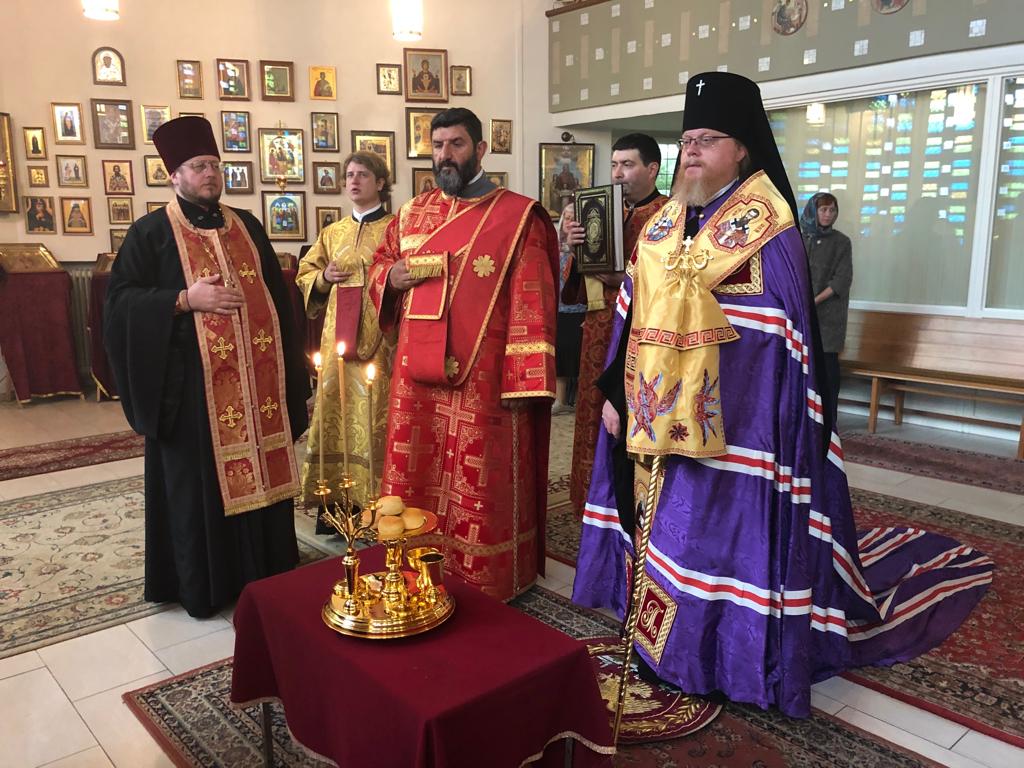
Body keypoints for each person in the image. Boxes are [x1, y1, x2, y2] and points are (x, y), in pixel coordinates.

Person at [571, 72, 992, 717]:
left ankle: (722, 658)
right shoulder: (665, 224)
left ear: (742, 148)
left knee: (714, 541)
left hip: (739, 431)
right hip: (656, 418)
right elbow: (633, 314)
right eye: (687, 140)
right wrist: (615, 393)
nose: (692, 152)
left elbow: (782, 341)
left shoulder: (770, 228)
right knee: (664, 537)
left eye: (707, 140)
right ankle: (664, 647)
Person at [104, 116, 310, 618]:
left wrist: (290, 373)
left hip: (258, 389)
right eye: (198, 166)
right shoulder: (151, 233)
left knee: (265, 473)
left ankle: (267, 572)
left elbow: (278, 303)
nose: (210, 174)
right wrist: (182, 300)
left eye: (215, 165)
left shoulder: (248, 226)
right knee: (200, 488)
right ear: (173, 175)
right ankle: (208, 584)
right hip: (192, 395)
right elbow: (120, 304)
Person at [368, 108, 559, 600]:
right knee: (417, 471)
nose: (445, 155)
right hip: (416, 377)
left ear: (481, 149)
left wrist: (524, 379)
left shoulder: (518, 217)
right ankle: (413, 563)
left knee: (480, 480)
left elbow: (533, 299)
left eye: (456, 144)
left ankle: (484, 576)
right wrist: (390, 277)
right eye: (437, 145)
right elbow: (381, 262)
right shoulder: (412, 213)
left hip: (484, 378)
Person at [561, 133, 668, 518]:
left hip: (640, 334)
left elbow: (673, 282)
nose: (618, 173)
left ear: (651, 169)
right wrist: (573, 246)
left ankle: (631, 507)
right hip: (598, 330)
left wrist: (623, 279)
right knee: (592, 413)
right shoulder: (604, 209)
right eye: (614, 164)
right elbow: (578, 282)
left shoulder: (669, 216)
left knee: (631, 416)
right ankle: (589, 504)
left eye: (628, 164)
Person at [296, 151, 395, 517]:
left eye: (362, 175)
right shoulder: (333, 232)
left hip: (381, 341)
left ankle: (379, 501)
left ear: (380, 182)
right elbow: (306, 273)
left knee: (377, 413)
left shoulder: (395, 228)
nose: (354, 181)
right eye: (349, 175)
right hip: (336, 342)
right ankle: (337, 500)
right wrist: (323, 278)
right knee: (336, 410)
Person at [802, 192, 853, 423]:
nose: (828, 214)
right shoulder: (800, 239)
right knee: (802, 363)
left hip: (829, 315)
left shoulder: (841, 242)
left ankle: (829, 420)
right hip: (801, 312)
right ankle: (805, 417)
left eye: (832, 210)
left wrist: (814, 301)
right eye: (823, 209)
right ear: (813, 211)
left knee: (828, 366)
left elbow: (841, 280)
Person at [553, 199, 586, 414]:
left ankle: (581, 400)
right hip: (558, 309)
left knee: (579, 356)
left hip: (580, 309)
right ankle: (560, 400)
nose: (568, 221)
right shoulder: (552, 247)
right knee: (561, 356)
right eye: (566, 217)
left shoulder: (584, 249)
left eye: (573, 218)